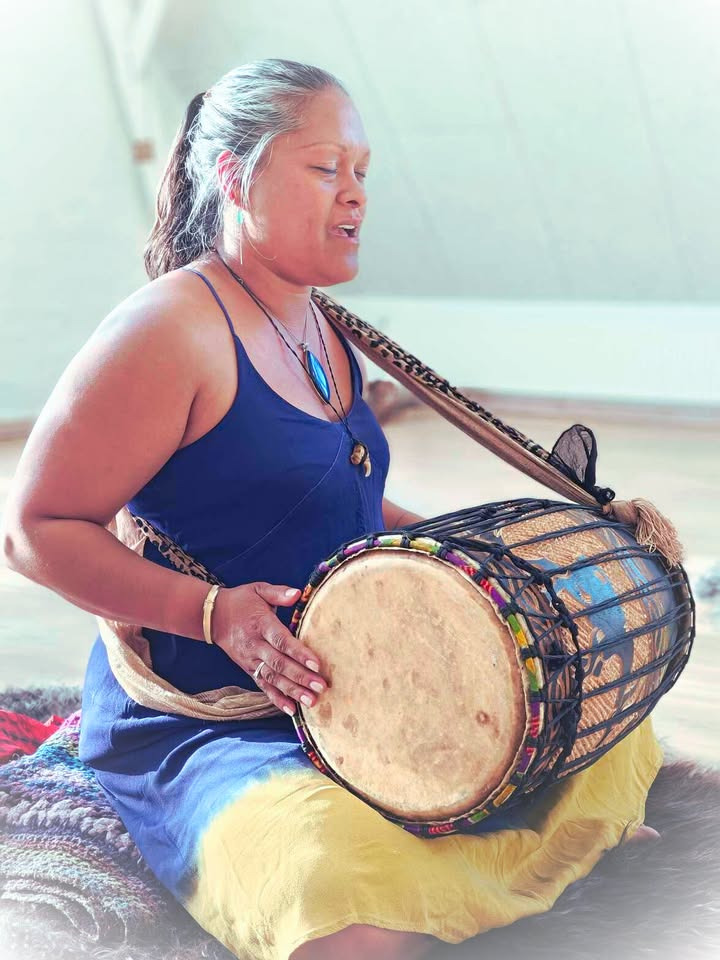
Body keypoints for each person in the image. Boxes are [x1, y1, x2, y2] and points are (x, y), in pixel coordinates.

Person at [1, 59, 661, 960]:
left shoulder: (326, 325)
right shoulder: (168, 333)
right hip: (208, 709)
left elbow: (338, 496)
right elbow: (32, 529)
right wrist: (209, 614)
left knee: (604, 720)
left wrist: (469, 565)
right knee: (336, 897)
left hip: (349, 680)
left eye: (362, 172)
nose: (353, 196)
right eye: (324, 169)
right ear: (235, 177)